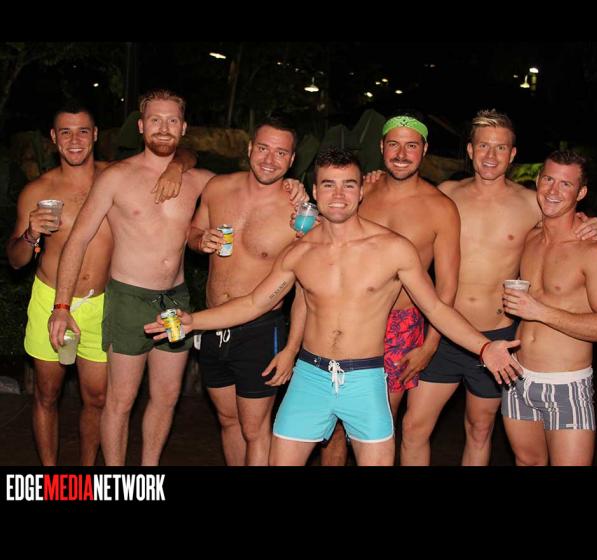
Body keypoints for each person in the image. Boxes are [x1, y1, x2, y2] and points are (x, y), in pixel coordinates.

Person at [145, 147, 522, 466]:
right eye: (328, 184)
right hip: (309, 378)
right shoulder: (300, 252)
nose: (338, 195)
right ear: (315, 190)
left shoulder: (393, 249)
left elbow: (437, 309)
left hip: (365, 381)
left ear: (361, 192)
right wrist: (193, 321)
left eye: (348, 185)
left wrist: (484, 347)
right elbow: (255, 303)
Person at [410, 110, 597, 465]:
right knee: (413, 428)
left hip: (499, 336)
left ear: (512, 154)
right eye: (483, 146)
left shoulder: (532, 202)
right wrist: (374, 182)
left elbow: (566, 218)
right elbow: (401, 213)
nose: (491, 155)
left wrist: (592, 225)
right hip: (445, 332)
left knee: (480, 428)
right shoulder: (446, 194)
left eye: (500, 148)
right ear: (470, 150)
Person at [5, 102, 192, 466]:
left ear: (94, 136)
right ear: (53, 138)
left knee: (99, 399)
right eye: (65, 132)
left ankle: (87, 474)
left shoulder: (118, 176)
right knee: (46, 394)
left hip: (104, 302)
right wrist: (30, 233)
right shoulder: (37, 191)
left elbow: (183, 152)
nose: (74, 140)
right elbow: (15, 260)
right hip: (51, 299)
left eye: (82, 131)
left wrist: (177, 166)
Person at [47, 89, 214, 466]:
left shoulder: (201, 180)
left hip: (175, 300)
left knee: (166, 397)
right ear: (140, 126)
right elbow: (77, 241)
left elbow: (247, 191)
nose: (163, 128)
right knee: (120, 401)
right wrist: (61, 306)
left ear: (184, 128)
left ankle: (149, 472)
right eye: (155, 120)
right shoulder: (116, 177)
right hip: (128, 299)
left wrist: (292, 188)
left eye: (172, 120)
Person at [320, 110, 460, 466]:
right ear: (381, 146)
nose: (401, 154)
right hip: (348, 319)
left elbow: (446, 286)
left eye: (411, 146)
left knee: (379, 423)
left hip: (402, 326)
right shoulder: (360, 191)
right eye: (394, 144)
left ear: (424, 150)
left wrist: (430, 345)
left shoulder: (441, 208)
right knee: (334, 424)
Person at [187, 114, 308, 466]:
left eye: (281, 153)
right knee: (228, 421)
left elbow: (307, 290)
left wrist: (291, 348)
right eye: (264, 148)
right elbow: (192, 232)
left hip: (260, 331)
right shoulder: (217, 188)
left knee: (255, 429)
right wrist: (200, 240)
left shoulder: (299, 213)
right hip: (212, 325)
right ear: (250, 147)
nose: (270, 160)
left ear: (292, 159)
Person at [501, 150, 597, 465]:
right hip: (518, 378)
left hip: (566, 385)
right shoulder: (530, 239)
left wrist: (539, 311)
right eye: (548, 179)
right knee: (527, 462)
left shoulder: (596, 254)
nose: (553, 191)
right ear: (538, 181)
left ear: (581, 193)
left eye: (565, 184)